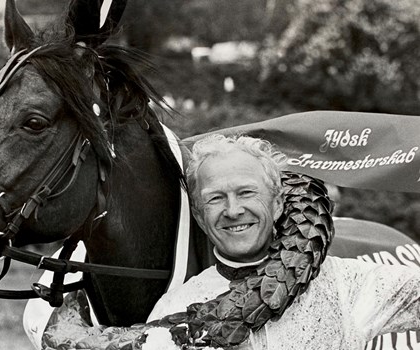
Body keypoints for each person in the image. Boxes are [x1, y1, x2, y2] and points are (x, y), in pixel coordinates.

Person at [147, 133, 420, 349]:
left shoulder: (344, 284)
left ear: (278, 204)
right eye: (215, 198)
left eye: (246, 192)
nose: (232, 210)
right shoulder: (175, 309)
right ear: (198, 214)